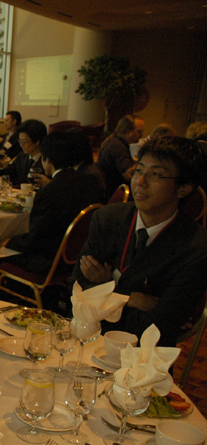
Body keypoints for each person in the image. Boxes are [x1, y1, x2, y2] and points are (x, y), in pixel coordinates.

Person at [72, 136, 207, 346]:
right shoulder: (108, 218)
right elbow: (77, 285)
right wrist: (129, 298)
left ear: (183, 188)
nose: (140, 181)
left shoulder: (195, 246)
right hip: (87, 335)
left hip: (143, 354)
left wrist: (103, 290)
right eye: (138, 170)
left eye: (156, 174)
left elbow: (161, 323)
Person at [0, 131, 104, 276]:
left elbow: (34, 239)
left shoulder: (50, 192)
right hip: (79, 257)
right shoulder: (89, 182)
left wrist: (7, 241)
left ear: (47, 159)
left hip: (49, 261)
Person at [97, 114, 144, 197]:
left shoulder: (114, 141)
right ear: (128, 132)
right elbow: (129, 175)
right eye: (139, 131)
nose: (141, 135)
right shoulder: (118, 147)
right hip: (114, 193)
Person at [0, 119, 47, 188]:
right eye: (20, 141)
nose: (21, 145)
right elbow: (7, 174)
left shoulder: (47, 161)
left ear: (37, 142)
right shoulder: (22, 156)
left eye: (24, 141)